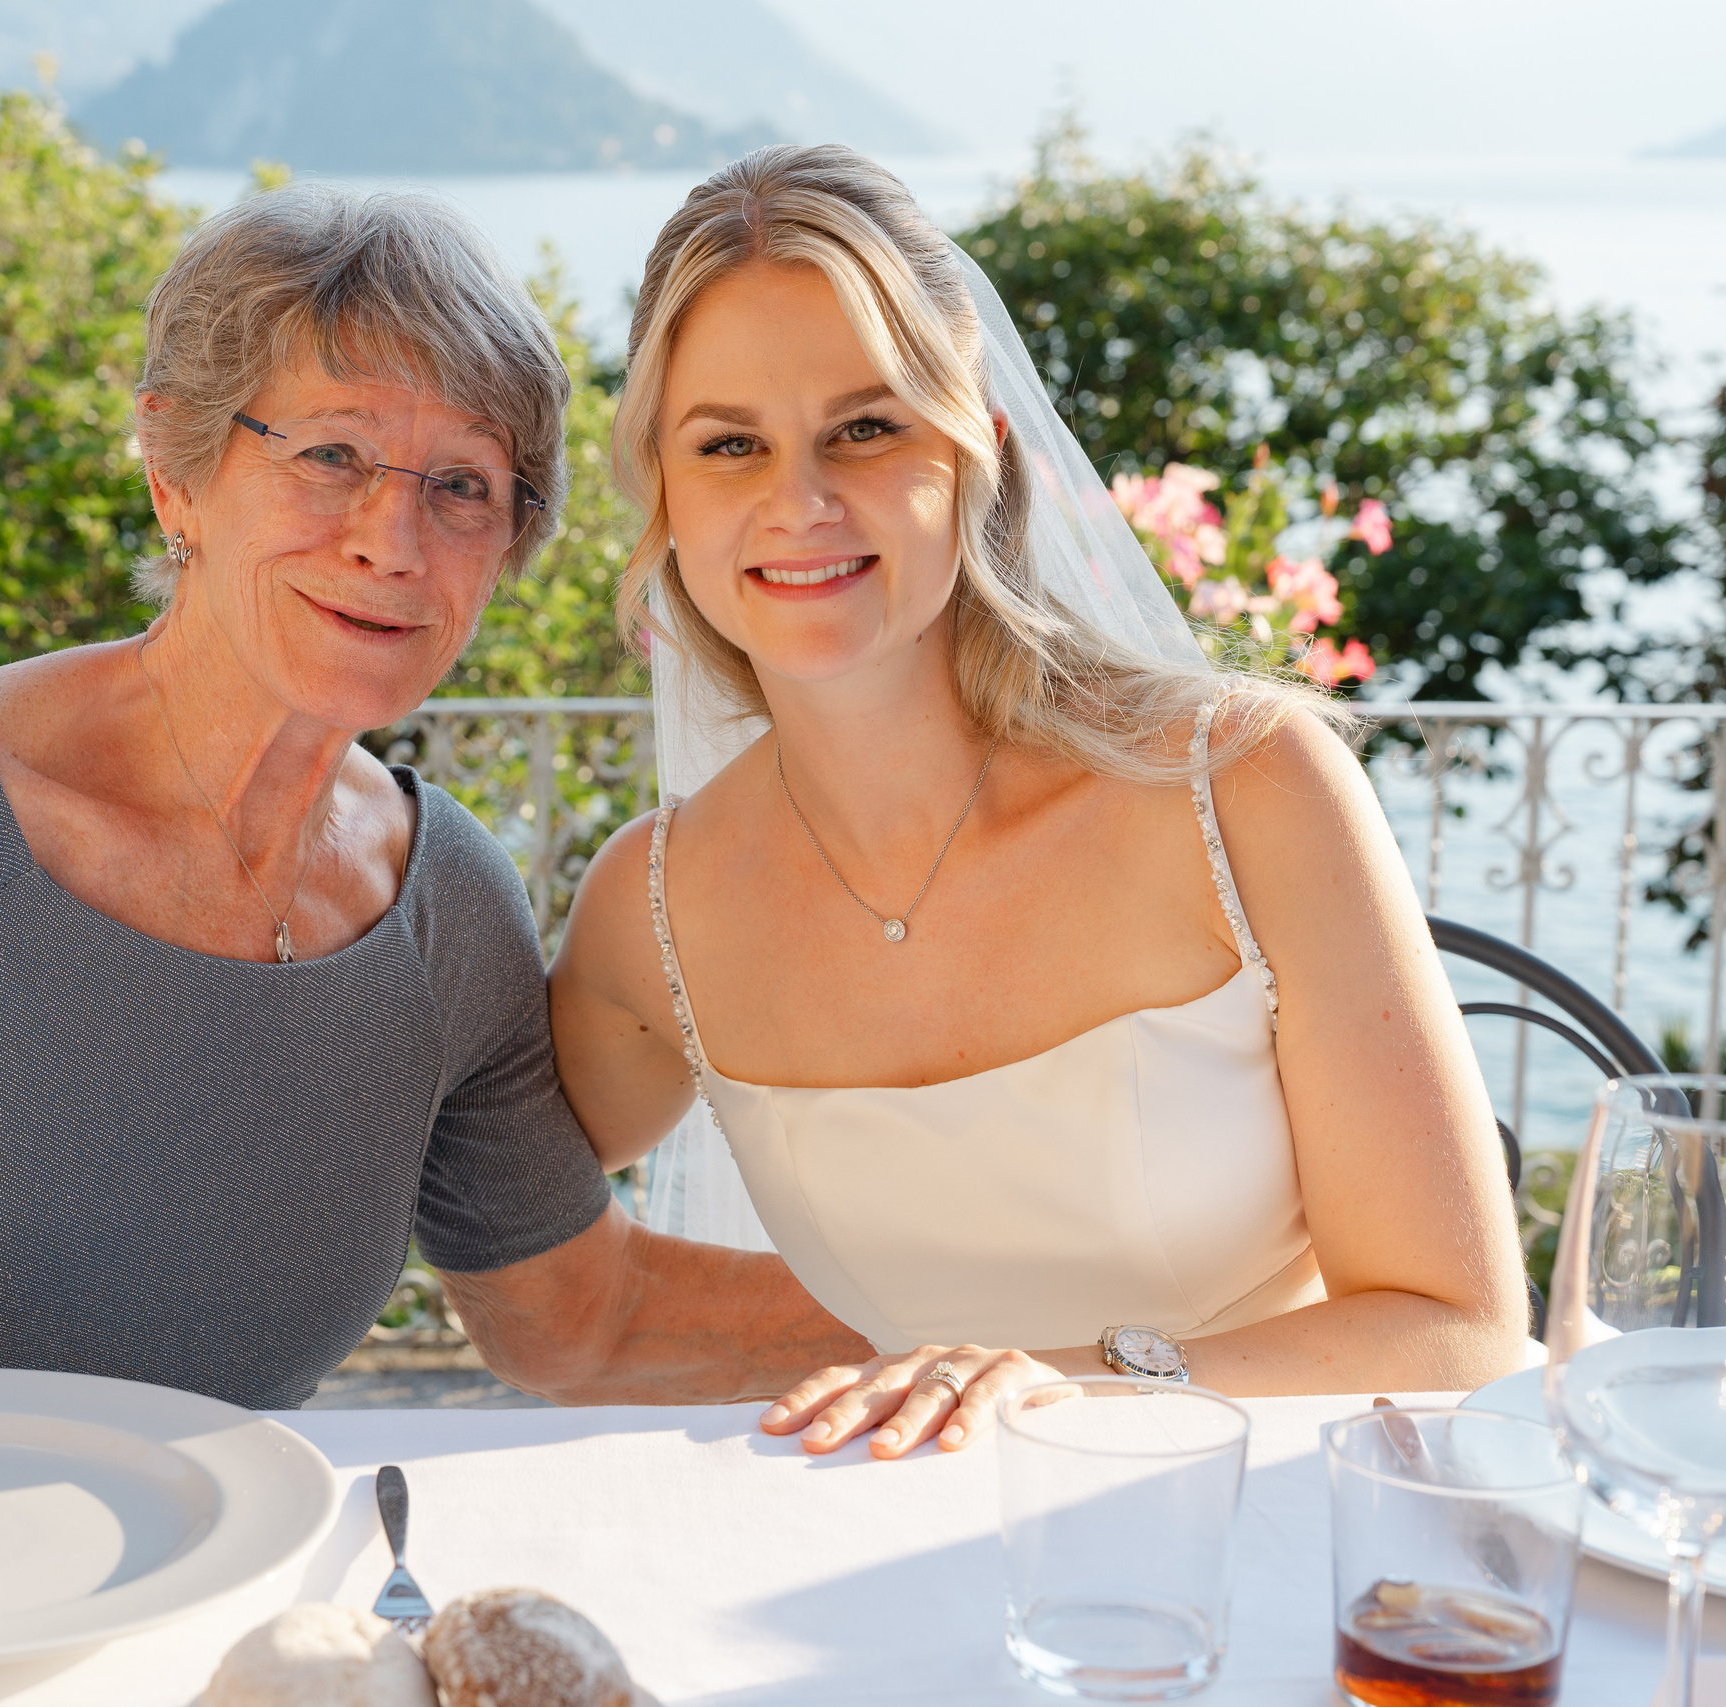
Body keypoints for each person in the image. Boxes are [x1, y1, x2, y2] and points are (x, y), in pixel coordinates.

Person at [0, 183, 871, 1406]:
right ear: (176, 472)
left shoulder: (442, 902)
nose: (392, 540)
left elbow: (580, 1320)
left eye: (462, 486)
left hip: (215, 1598)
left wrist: (1018, 1340)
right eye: (332, 455)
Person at [547, 145, 1529, 1460]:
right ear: (667, 493)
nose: (801, 500)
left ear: (978, 455)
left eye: (868, 426)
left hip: (1292, 1533)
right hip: (892, 1565)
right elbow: (471, 1212)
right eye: (731, 443)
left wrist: (1071, 1383)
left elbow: (1456, 1325)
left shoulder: (1244, 786)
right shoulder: (653, 908)